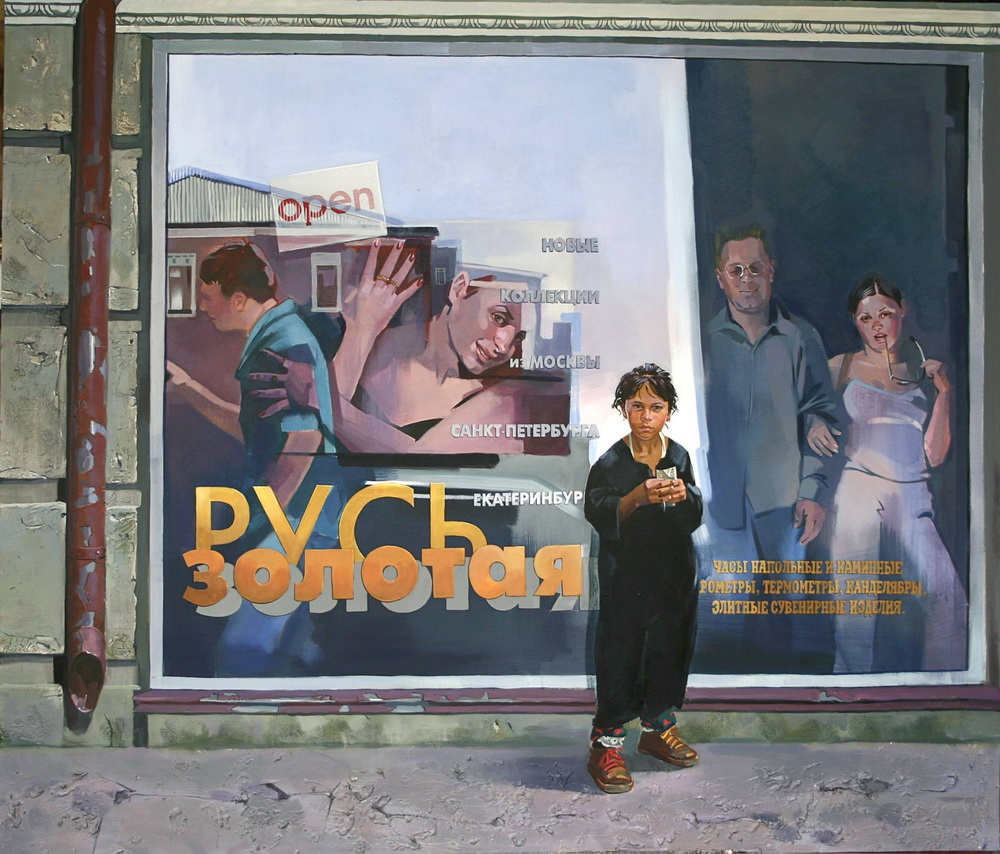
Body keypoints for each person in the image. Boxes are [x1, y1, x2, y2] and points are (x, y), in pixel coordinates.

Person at [166, 241, 340, 676]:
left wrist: (260, 520)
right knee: (289, 650)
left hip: (296, 523)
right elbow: (260, 428)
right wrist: (190, 389)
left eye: (208, 297)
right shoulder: (276, 334)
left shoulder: (282, 342)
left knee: (244, 650)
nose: (203, 308)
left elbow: (303, 438)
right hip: (302, 520)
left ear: (239, 299)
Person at [251, 239, 564, 454]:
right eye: (498, 317)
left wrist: (321, 398)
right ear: (460, 288)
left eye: (518, 337)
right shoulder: (368, 339)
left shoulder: (504, 400)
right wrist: (362, 329)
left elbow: (421, 462)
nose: (504, 345)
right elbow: (328, 441)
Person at [703, 224, 839, 666]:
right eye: (736, 270)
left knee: (787, 617)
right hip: (719, 503)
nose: (747, 280)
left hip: (785, 502)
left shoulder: (801, 338)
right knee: (723, 615)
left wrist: (813, 491)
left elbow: (823, 415)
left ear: (771, 272)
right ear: (720, 277)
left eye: (755, 268)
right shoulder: (701, 342)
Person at [825, 274, 967, 672]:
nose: (877, 326)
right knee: (854, 607)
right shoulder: (841, 366)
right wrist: (816, 425)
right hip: (858, 489)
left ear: (902, 312)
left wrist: (944, 394)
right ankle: (850, 692)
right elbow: (806, 412)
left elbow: (935, 456)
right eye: (865, 318)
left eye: (885, 314)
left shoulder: (925, 374)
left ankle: (944, 693)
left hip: (913, 494)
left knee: (947, 598)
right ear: (854, 322)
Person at [584, 364, 703, 794]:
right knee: (622, 654)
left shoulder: (679, 456)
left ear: (669, 411)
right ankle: (606, 747)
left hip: (673, 576)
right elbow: (596, 509)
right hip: (627, 579)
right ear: (623, 409)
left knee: (669, 648)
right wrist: (634, 499)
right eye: (637, 406)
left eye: (656, 407)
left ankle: (657, 730)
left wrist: (685, 496)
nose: (646, 416)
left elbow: (694, 512)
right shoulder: (611, 462)